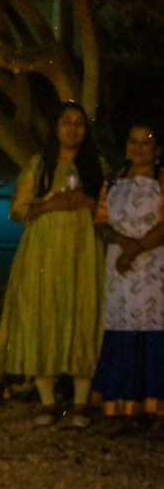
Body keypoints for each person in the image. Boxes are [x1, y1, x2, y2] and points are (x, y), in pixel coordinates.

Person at [0, 101, 105, 426]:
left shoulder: (96, 165)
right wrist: (49, 204)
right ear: (56, 128)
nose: (72, 128)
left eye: (79, 123)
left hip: (84, 253)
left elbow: (112, 210)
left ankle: (81, 403)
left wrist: (87, 202)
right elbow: (17, 210)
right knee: (44, 315)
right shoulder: (39, 165)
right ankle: (48, 402)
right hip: (43, 253)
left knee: (83, 314)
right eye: (66, 122)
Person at [92, 121, 164, 424]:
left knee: (152, 325)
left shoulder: (162, 180)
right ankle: (121, 401)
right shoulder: (113, 180)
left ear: (157, 149)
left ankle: (153, 404)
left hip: (153, 263)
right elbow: (100, 220)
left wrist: (136, 249)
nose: (138, 148)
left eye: (145, 142)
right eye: (133, 142)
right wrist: (122, 245)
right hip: (119, 264)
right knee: (121, 324)